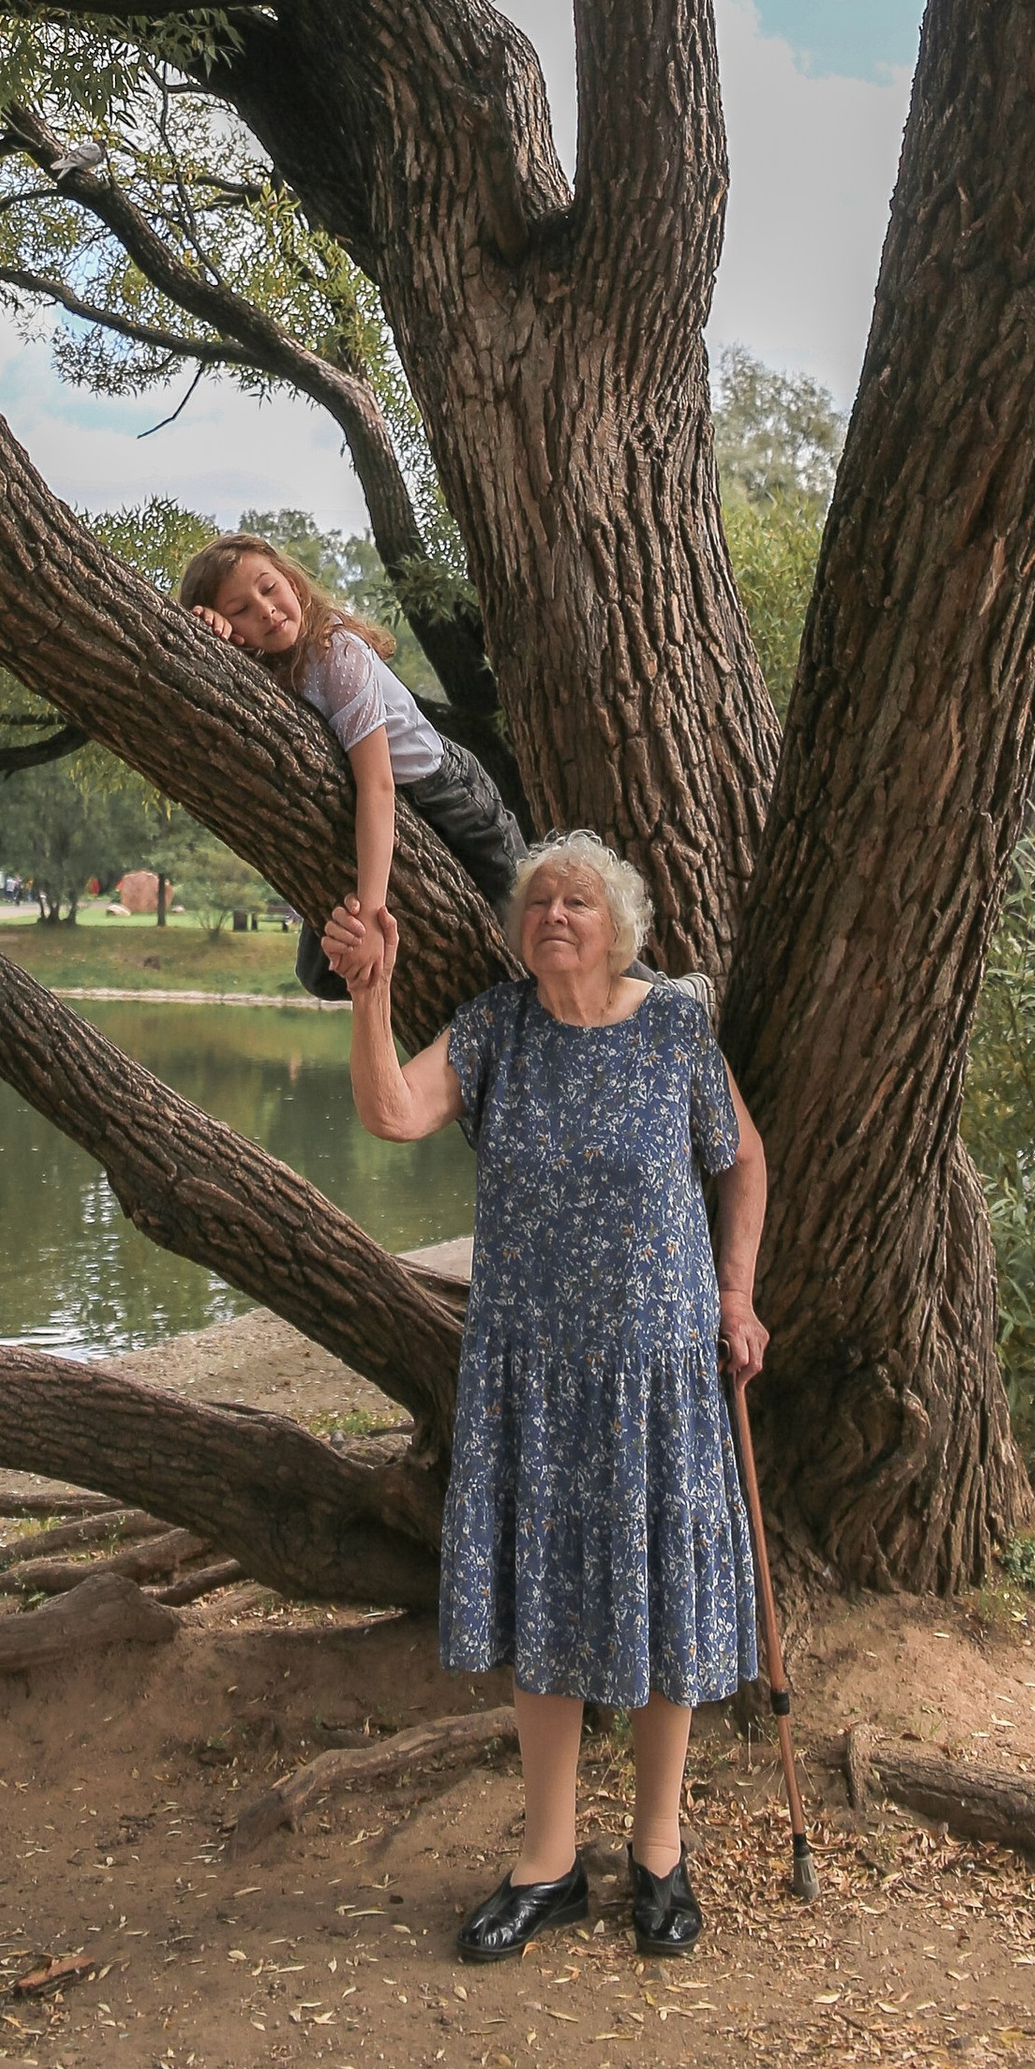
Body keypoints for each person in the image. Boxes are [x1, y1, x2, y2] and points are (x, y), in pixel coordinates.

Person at [322, 834, 768, 1965]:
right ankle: (548, 1861)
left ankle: (659, 1853)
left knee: (660, 1597)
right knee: (545, 1602)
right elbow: (392, 1113)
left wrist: (735, 1295)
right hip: (530, 1372)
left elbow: (741, 1161)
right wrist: (366, 995)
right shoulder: (495, 1029)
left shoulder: (672, 1026)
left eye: (576, 900)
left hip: (656, 1370)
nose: (553, 915)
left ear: (617, 926)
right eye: (536, 902)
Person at [178, 533, 525, 997]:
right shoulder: (264, 669)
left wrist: (372, 918)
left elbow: (377, 787)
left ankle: (645, 998)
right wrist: (205, 633)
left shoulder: (337, 653)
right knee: (319, 974)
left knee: (534, 924)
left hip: (450, 798)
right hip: (385, 808)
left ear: (294, 585)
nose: (263, 609)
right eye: (239, 610)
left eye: (268, 587)